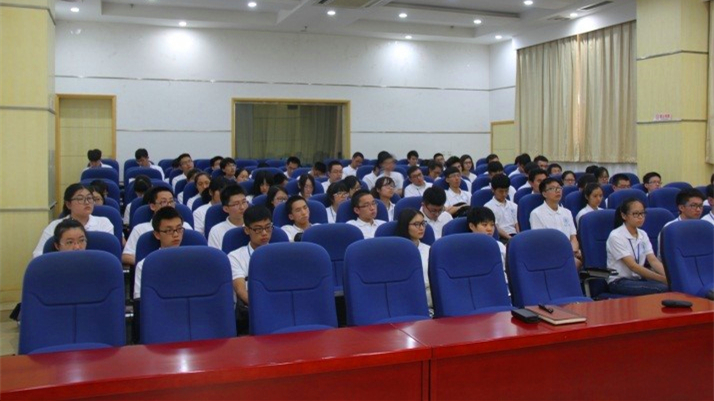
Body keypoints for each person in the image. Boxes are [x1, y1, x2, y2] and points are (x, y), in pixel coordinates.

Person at [33, 183, 115, 258]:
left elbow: (109, 255)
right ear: (68, 204)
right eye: (80, 199)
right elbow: (38, 255)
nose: (87, 202)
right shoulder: (55, 225)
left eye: (89, 198)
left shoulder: (104, 223)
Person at [606, 198, 668, 295]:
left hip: (638, 279)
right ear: (624, 216)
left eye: (642, 213)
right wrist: (662, 279)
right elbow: (633, 266)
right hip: (619, 281)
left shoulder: (643, 234)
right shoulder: (616, 236)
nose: (640, 217)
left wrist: (669, 277)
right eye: (635, 214)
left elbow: (653, 260)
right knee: (662, 288)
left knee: (673, 284)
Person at [122, 186, 193, 266]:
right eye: (164, 202)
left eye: (171, 201)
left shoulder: (185, 226)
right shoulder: (140, 229)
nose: (169, 205)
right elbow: (126, 256)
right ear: (152, 206)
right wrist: (150, 263)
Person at [133, 207, 185, 300]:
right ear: (157, 234)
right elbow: (141, 302)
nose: (176, 234)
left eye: (179, 229)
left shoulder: (193, 261)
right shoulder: (145, 265)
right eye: (169, 231)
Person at [529, 177, 582, 269]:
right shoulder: (536, 213)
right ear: (544, 193)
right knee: (574, 264)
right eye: (552, 188)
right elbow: (541, 242)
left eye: (559, 188)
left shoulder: (567, 212)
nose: (557, 191)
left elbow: (573, 237)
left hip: (568, 253)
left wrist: (573, 251)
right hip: (549, 254)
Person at [228, 205, 273, 305]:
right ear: (247, 230)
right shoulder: (235, 257)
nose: (264, 233)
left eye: (268, 227)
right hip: (251, 307)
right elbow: (241, 290)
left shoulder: (280, 254)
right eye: (258, 229)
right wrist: (261, 308)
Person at [395, 208, 431, 309]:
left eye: (423, 223)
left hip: (430, 298)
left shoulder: (430, 249)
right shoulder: (396, 252)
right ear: (405, 226)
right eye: (416, 224)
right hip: (405, 299)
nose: (422, 228)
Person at [467, 207, 507, 286]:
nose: (489, 229)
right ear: (472, 226)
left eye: (492, 225)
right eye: (484, 225)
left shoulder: (499, 245)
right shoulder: (466, 248)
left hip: (503, 284)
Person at [658, 188, 706, 254]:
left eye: (700, 206)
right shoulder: (669, 228)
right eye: (693, 206)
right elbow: (663, 256)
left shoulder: (705, 227)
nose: (698, 209)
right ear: (681, 208)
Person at [208, 184, 249, 249]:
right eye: (236, 204)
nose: (242, 207)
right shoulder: (216, 231)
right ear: (226, 209)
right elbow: (216, 254)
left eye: (244, 202)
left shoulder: (255, 226)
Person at [484, 174, 518, 241]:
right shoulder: (488, 207)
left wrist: (518, 237)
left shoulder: (514, 205)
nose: (504, 194)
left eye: (506, 191)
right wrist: (510, 238)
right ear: (493, 190)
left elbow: (516, 224)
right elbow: (496, 227)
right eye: (501, 191)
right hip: (500, 237)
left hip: (514, 235)